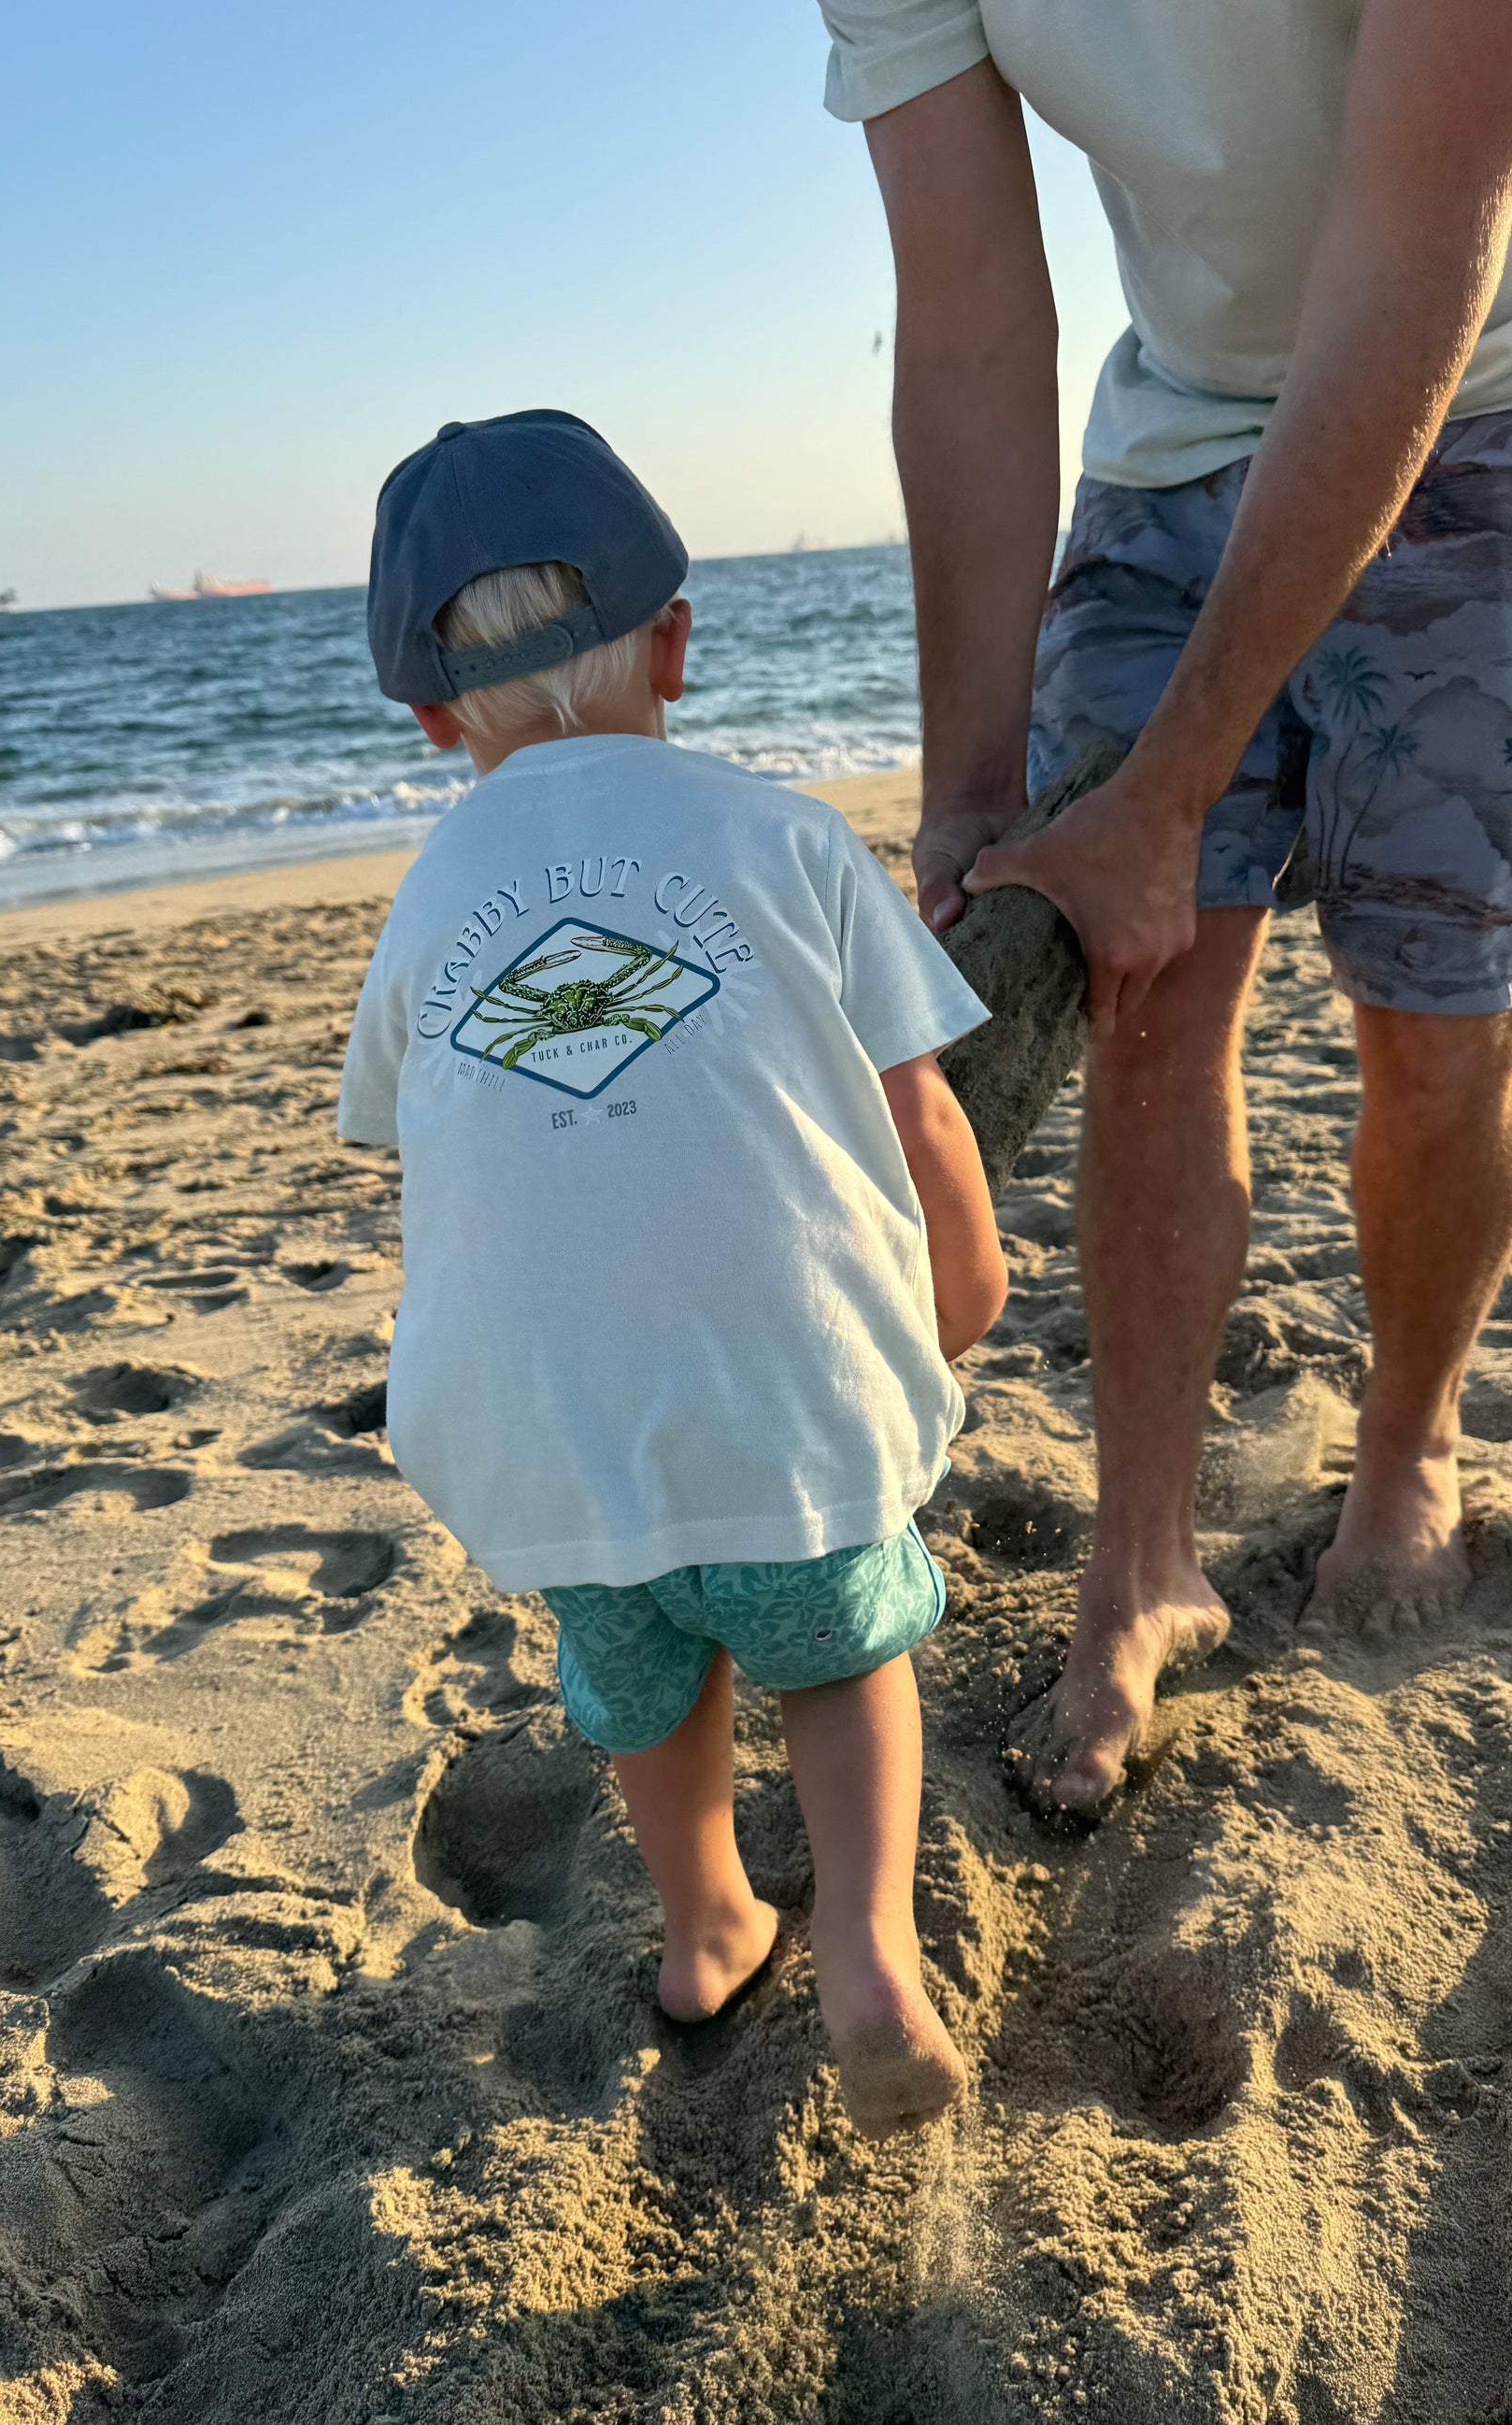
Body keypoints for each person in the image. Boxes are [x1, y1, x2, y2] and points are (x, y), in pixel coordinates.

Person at [817, 0, 1512, 1819]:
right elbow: (974, 310)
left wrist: (1161, 792)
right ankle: (1139, 1555)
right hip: (1187, 409)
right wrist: (978, 791)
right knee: (1137, 992)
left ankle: (1407, 1443)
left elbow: (1417, 241)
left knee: (1441, 1024)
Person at [338, 410, 1006, 2134]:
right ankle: (862, 1947)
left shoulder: (423, 900)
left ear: (426, 715)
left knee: (641, 1672)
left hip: (541, 1429)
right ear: (680, 639)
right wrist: (962, 1283)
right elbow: (915, 1107)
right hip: (778, 1406)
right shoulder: (786, 839)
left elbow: (419, 1143)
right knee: (838, 1661)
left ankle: (707, 1931)